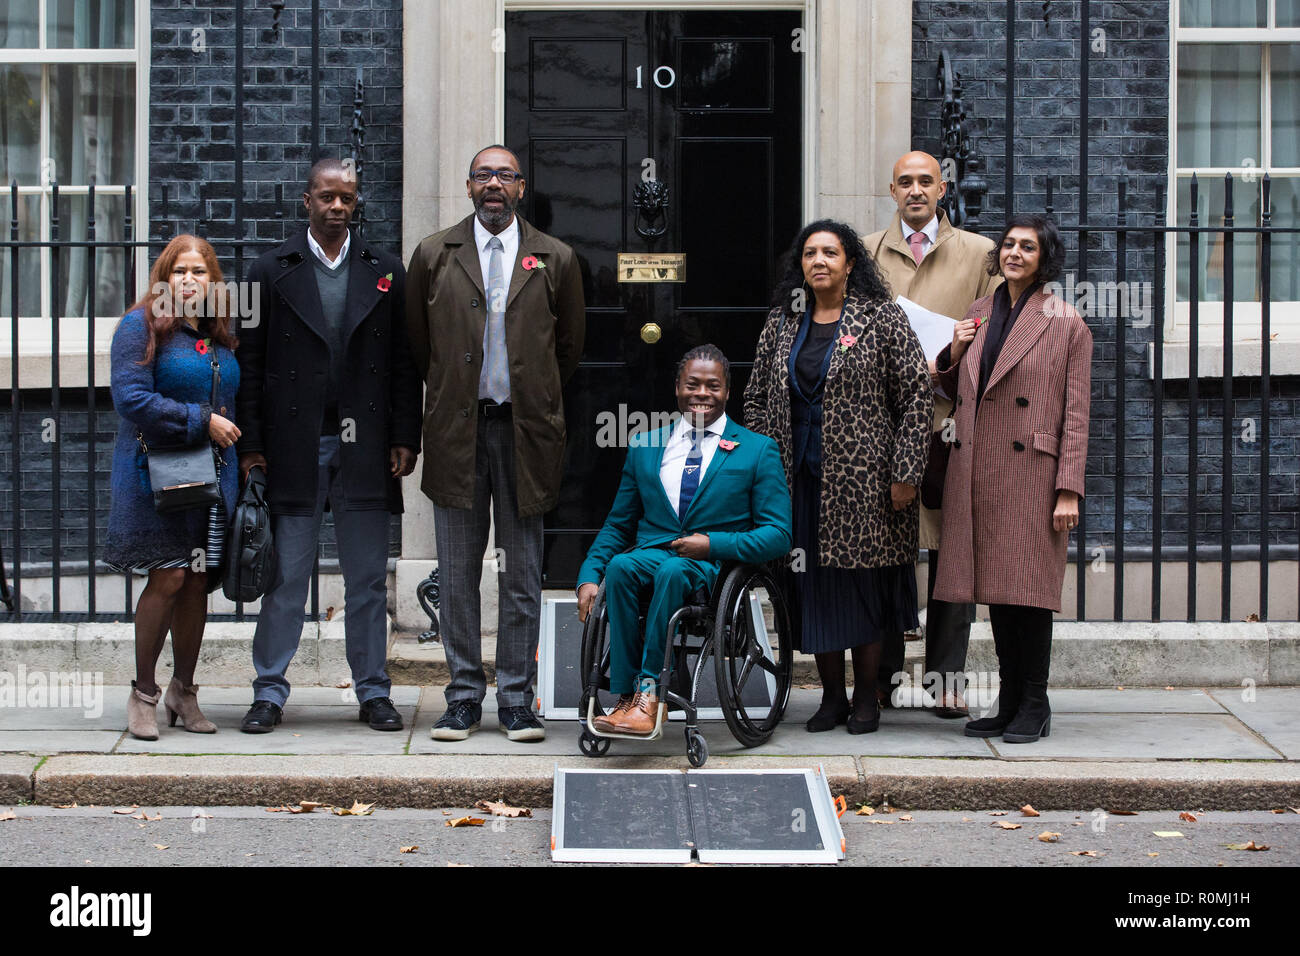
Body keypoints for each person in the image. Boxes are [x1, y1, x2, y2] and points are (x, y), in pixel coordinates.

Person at [235, 158, 422, 734]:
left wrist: (402, 436)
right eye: (327, 197)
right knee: (286, 576)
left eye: (346, 198)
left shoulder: (385, 270)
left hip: (365, 447)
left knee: (366, 578)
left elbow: (403, 364)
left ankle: (373, 691)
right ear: (307, 201)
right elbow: (250, 363)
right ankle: (269, 691)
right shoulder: (269, 270)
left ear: (356, 201)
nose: (337, 206)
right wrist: (253, 446)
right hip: (294, 445)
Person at [405, 145, 585, 743]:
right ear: (468, 185)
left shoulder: (554, 258)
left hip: (524, 434)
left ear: (521, 187)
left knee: (521, 572)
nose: (493, 185)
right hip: (458, 432)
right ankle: (461, 698)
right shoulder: (434, 254)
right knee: (457, 573)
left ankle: (515, 699)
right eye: (483, 175)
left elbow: (569, 349)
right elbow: (417, 348)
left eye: (504, 176)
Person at [745, 220, 932, 734]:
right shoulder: (783, 322)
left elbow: (916, 397)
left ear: (851, 263)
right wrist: (764, 465)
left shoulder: (881, 318)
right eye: (810, 254)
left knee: (861, 588)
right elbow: (756, 397)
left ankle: (867, 696)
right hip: (797, 480)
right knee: (812, 589)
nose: (819, 262)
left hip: (866, 483)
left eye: (831, 253)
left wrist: (906, 473)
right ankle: (830, 697)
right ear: (800, 265)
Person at [933, 214, 1092, 743]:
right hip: (979, 468)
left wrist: (1068, 488)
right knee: (998, 591)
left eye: (1027, 247)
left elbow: (1076, 413)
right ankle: (1009, 699)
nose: (1014, 253)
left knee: (1030, 592)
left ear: (1044, 258)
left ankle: (1036, 702)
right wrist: (951, 352)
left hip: (1033, 474)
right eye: (1008, 245)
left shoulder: (1066, 321)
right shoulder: (979, 312)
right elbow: (953, 387)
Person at [576, 345, 792, 734]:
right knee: (621, 566)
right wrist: (589, 575)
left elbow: (778, 535)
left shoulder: (757, 450)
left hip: (713, 567)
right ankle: (626, 699)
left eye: (713, 386)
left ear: (727, 392)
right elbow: (618, 524)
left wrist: (712, 544)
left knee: (674, 571)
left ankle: (651, 693)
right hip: (651, 556)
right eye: (693, 384)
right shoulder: (645, 446)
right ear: (677, 388)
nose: (702, 394)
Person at [865, 151, 1002, 718]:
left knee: (952, 557)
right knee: (886, 555)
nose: (916, 190)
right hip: (885, 424)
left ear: (942, 188)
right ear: (891, 190)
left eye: (926, 181)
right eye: (905, 182)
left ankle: (946, 681)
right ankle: (883, 678)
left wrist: (961, 350)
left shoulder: (978, 252)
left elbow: (997, 326)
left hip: (950, 422)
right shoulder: (867, 251)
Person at [105, 235, 241, 740]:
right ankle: (143, 691)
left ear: (212, 281)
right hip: (156, 474)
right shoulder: (138, 326)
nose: (189, 280)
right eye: (179, 271)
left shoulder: (215, 332)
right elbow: (131, 399)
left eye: (199, 272)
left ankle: (184, 691)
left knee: (198, 580)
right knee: (168, 577)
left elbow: (231, 397)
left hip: (213, 478)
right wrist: (201, 420)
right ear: (165, 276)